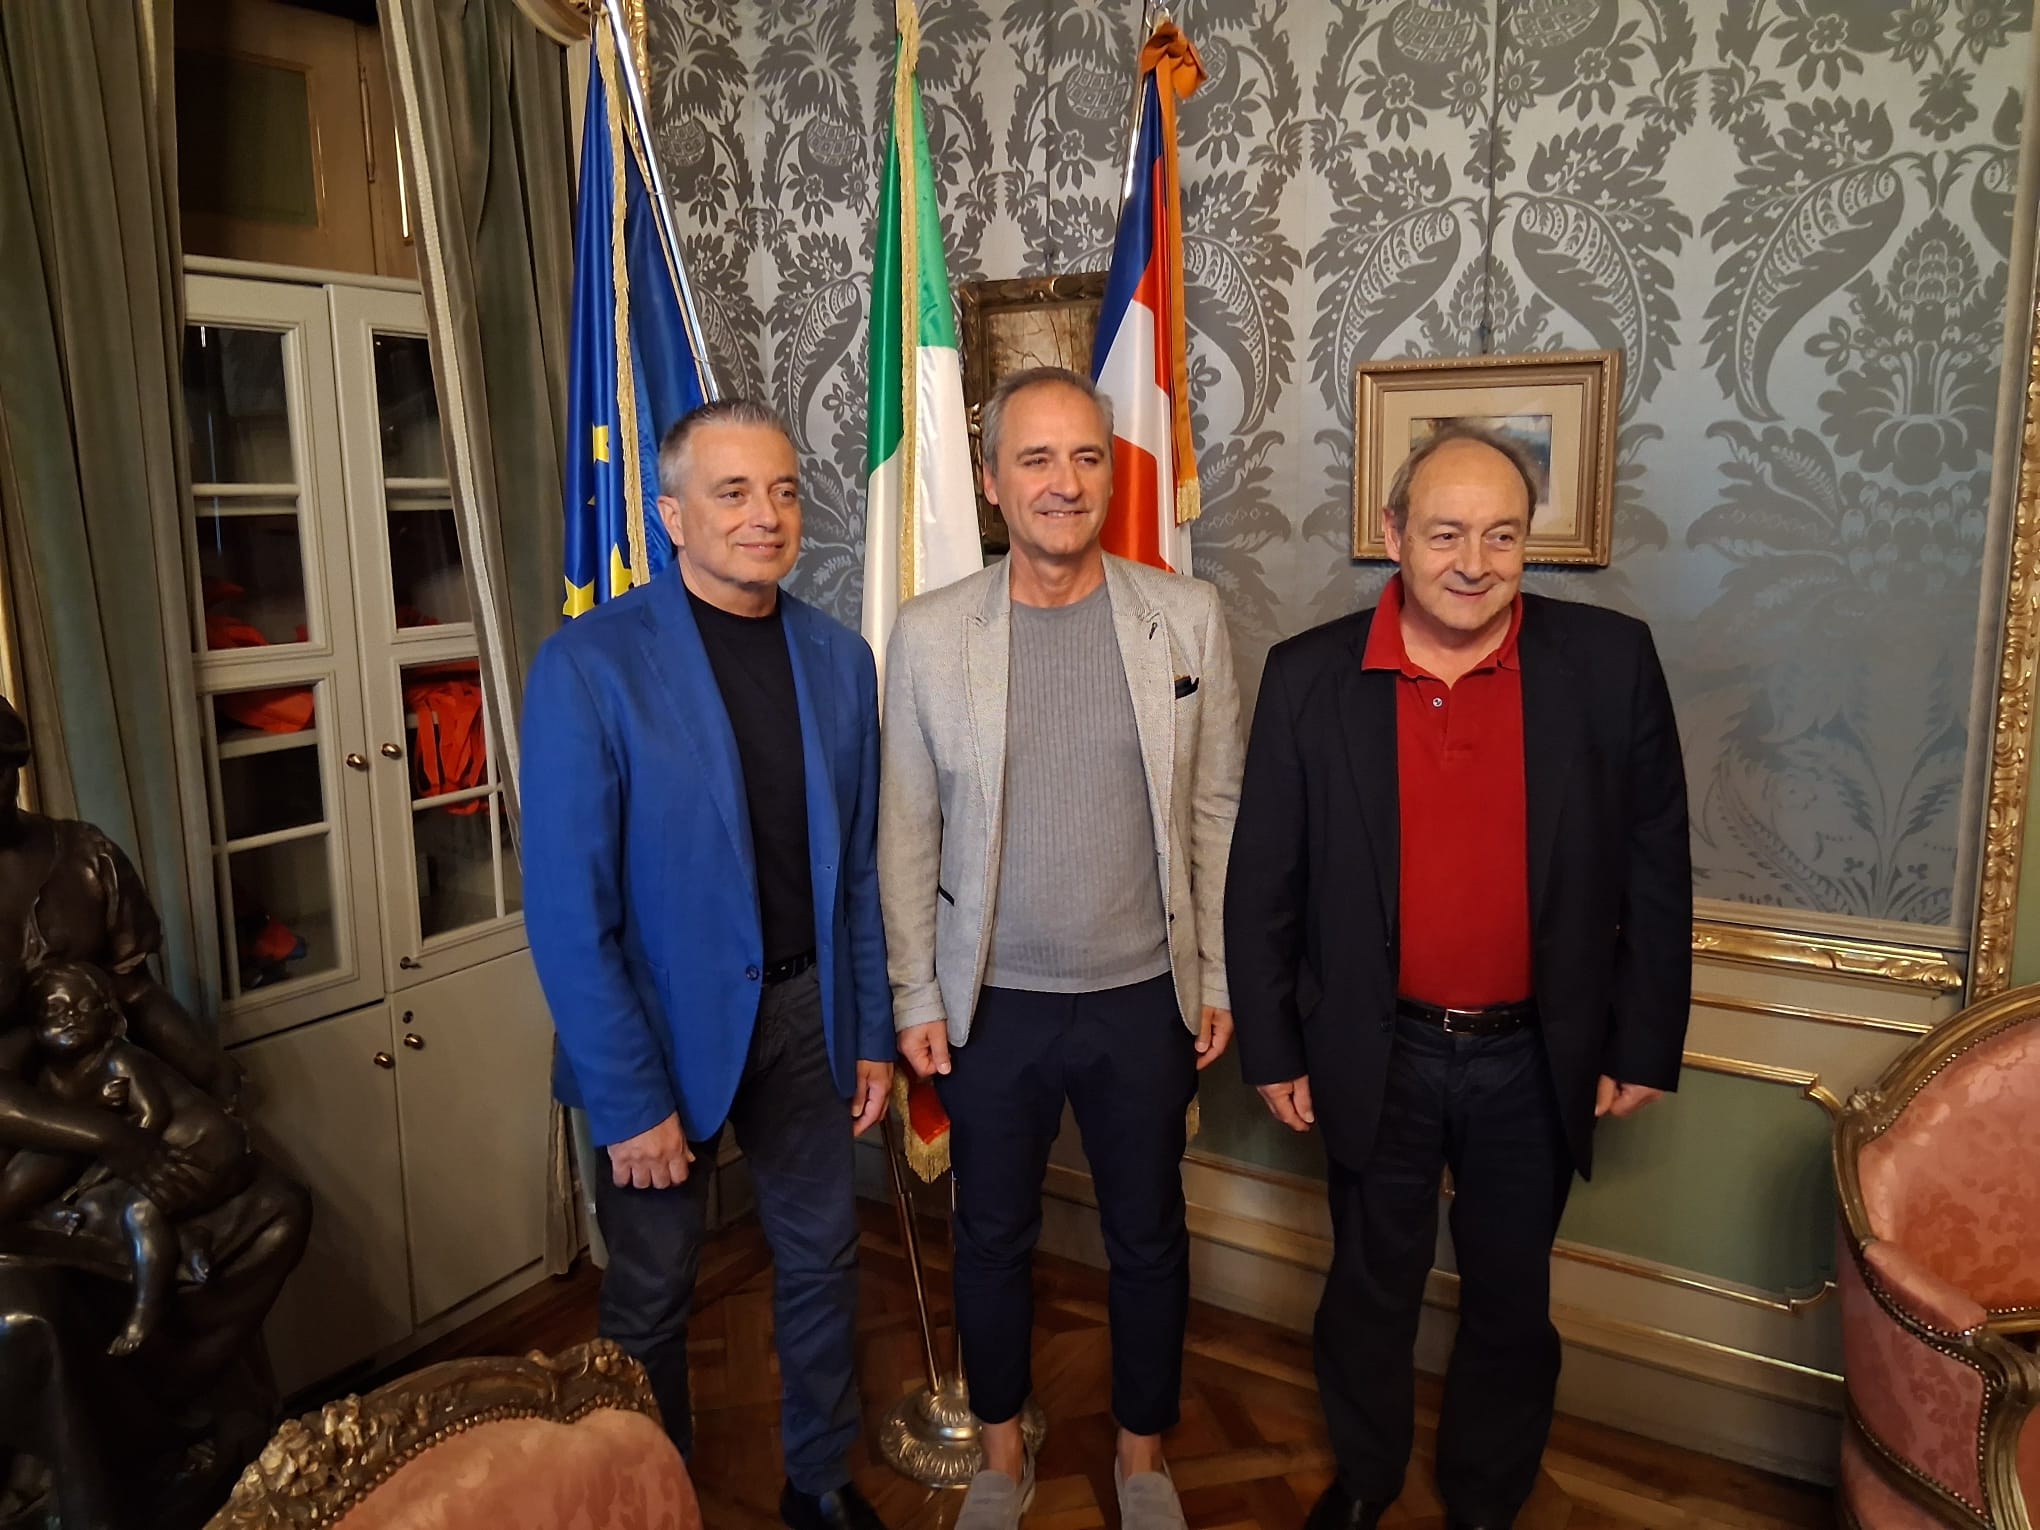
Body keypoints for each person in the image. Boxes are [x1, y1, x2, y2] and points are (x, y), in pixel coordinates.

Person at [1225, 423, 1692, 1530]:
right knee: (1368, 1290)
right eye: (1445, 534)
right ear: (1393, 535)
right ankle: (1367, 1479)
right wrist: (1275, 1047)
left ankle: (1486, 1495)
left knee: (1512, 1299)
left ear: (1531, 542)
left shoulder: (1609, 663)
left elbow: (1657, 862)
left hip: (1534, 1054)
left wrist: (1642, 1039)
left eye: (1501, 535)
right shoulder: (1308, 677)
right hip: (1375, 1049)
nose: (1473, 563)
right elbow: (1264, 883)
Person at [879, 366, 1242, 1530]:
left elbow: (1217, 811)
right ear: (992, 483)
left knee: (1148, 1239)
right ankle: (1000, 1458)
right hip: (991, 1005)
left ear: (1110, 476)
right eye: (1034, 459)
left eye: (1086, 457)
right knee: (991, 1240)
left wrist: (1219, 973)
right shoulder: (931, 636)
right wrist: (912, 991)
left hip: (1144, 998)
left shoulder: (1185, 617)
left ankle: (1142, 1459)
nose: (1064, 482)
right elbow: (906, 826)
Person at [521, 399, 894, 1530]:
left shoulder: (840, 660)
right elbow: (568, 914)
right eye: (732, 493)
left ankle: (818, 1482)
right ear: (671, 515)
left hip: (808, 1017)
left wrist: (870, 1030)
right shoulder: (590, 665)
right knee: (650, 1297)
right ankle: (655, 1500)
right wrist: (631, 1100)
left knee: (824, 1262)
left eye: (782, 490)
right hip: (659, 1040)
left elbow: (859, 872)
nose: (764, 515)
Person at [18, 960, 250, 1356]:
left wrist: (101, 1167)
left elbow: (151, 1116)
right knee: (98, 1203)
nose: (70, 1017)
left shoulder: (118, 1059)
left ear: (110, 1016)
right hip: (158, 1147)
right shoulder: (49, 1077)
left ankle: (145, 1311)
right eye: (54, 1009)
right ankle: (186, 1239)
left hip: (202, 1145)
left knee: (139, 1212)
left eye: (84, 1006)